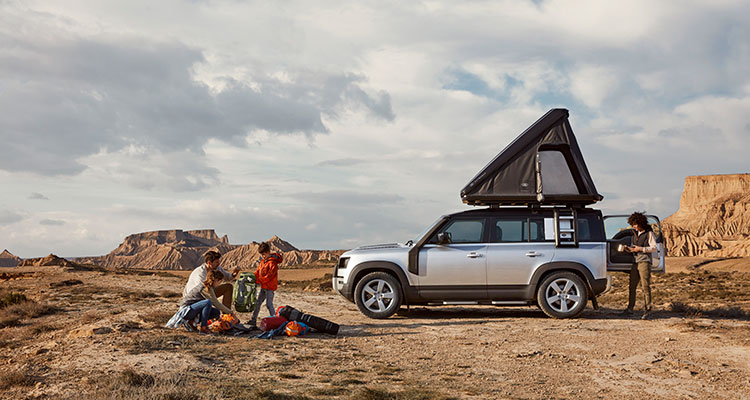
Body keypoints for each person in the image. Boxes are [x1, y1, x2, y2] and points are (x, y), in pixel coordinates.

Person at [621, 212, 658, 320]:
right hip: (635, 262)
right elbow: (634, 248)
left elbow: (654, 248)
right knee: (632, 287)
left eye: (635, 224)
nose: (634, 227)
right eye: (633, 225)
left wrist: (641, 249)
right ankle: (630, 309)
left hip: (644, 262)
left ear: (639, 223)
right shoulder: (634, 235)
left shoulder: (649, 233)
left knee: (645, 286)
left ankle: (648, 310)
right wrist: (628, 249)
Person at [247, 242, 282, 328]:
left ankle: (275, 321)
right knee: (257, 303)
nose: (262, 256)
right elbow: (258, 272)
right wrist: (252, 277)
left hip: (269, 287)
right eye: (261, 255)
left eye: (264, 254)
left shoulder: (272, 263)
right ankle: (253, 320)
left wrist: (258, 281)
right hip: (264, 286)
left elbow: (269, 276)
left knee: (269, 304)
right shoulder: (263, 262)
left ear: (268, 252)